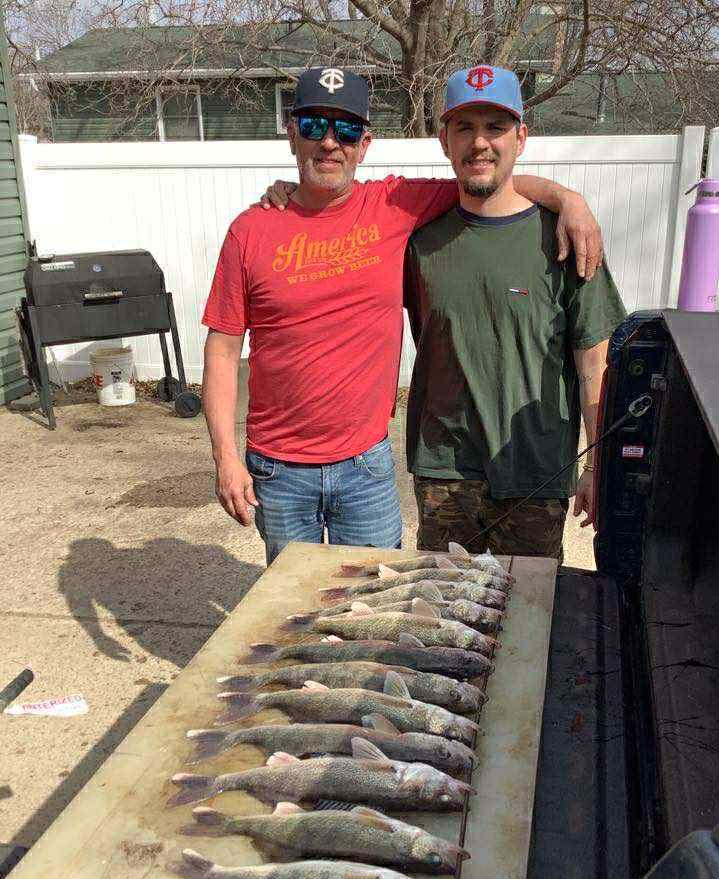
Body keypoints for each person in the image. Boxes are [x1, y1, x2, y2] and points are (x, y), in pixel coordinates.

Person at [202, 66, 605, 564]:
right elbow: (221, 350)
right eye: (314, 126)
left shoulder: (396, 207)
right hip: (283, 469)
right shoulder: (255, 230)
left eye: (346, 129)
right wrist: (224, 457)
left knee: (387, 597)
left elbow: (486, 177)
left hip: (369, 468)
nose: (330, 142)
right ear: (291, 133)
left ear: (364, 143)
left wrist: (570, 199)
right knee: (299, 606)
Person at [405, 66, 627, 562]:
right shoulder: (420, 242)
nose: (480, 143)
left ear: (521, 137)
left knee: (528, 618)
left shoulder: (569, 239)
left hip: (536, 471)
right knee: (442, 617)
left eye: (495, 127)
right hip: (446, 471)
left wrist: (597, 466)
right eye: (465, 127)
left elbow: (595, 364)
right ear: (444, 140)